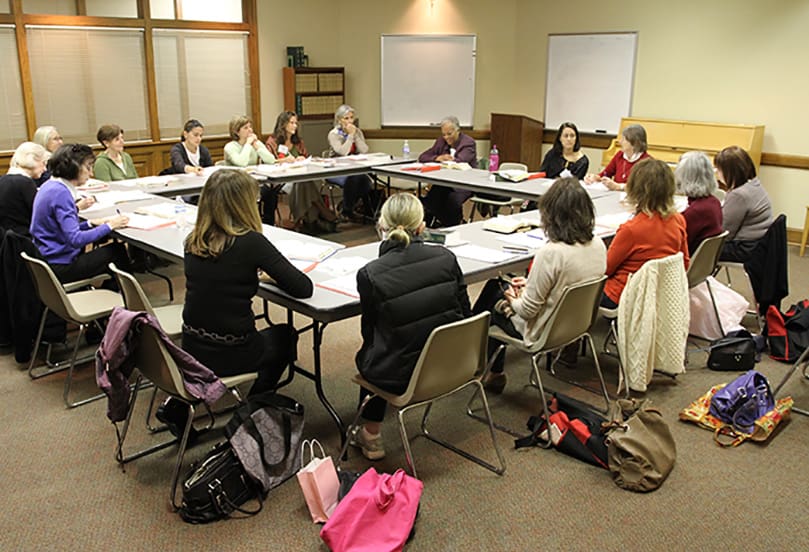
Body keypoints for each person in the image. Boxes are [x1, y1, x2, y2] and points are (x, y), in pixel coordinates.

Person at [351, 193, 471, 459]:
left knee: (374, 351)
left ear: (382, 226)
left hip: (400, 376)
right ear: (422, 226)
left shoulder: (371, 274)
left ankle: (371, 435)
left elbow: (370, 334)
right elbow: (466, 315)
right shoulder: (446, 258)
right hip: (451, 365)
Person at [181, 169, 313, 399]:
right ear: (243, 204)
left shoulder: (193, 240)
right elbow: (303, 287)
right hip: (233, 352)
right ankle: (257, 401)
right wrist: (272, 277)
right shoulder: (251, 242)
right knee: (286, 336)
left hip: (191, 347)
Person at [477, 178, 606, 392]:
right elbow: (568, 282)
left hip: (542, 330)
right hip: (575, 324)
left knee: (494, 292)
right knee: (501, 289)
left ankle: (484, 367)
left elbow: (527, 311)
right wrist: (530, 284)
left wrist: (513, 298)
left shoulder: (552, 252)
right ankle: (488, 369)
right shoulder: (598, 244)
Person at [29, 144, 130, 286]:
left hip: (46, 260)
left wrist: (90, 223)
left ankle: (113, 294)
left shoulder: (50, 186)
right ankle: (125, 301)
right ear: (74, 167)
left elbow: (59, 229)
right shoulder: (61, 194)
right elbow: (75, 239)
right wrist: (110, 225)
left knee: (112, 250)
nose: (91, 173)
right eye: (88, 167)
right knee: (116, 251)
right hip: (60, 266)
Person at [603, 158, 689, 308]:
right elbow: (684, 263)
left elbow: (606, 269)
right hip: (662, 293)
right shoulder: (678, 220)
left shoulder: (631, 230)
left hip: (624, 295)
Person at [266, 111, 336, 233]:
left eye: (296, 123)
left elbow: (306, 157)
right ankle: (320, 215)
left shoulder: (298, 142)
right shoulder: (272, 142)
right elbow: (268, 162)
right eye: (291, 123)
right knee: (303, 183)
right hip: (282, 180)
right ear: (283, 125)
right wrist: (284, 160)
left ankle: (304, 219)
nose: (295, 126)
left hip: (299, 177)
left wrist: (302, 159)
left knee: (303, 182)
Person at [713, 146, 773, 262]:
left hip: (745, 248)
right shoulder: (754, 184)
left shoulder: (739, 195)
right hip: (759, 243)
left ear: (730, 172)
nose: (717, 174)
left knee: (695, 247)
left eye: (719, 170)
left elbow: (725, 233)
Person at [419, 115, 478, 227]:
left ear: (458, 131)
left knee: (452, 200)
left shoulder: (468, 143)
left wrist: (449, 161)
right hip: (444, 181)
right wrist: (437, 158)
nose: (446, 137)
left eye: (449, 134)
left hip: (464, 183)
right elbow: (423, 156)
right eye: (444, 134)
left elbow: (460, 161)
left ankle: (454, 225)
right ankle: (435, 223)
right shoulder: (441, 141)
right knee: (433, 196)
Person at [224, 115, 278, 225]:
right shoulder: (230, 147)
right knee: (252, 195)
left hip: (254, 181)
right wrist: (248, 144)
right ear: (237, 132)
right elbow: (242, 162)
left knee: (271, 193)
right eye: (245, 128)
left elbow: (271, 160)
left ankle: (268, 223)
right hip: (235, 184)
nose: (250, 130)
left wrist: (257, 147)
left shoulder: (255, 144)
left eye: (250, 127)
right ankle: (251, 224)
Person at [327, 104, 375, 222]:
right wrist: (350, 136)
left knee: (366, 181)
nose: (349, 121)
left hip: (354, 168)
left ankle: (349, 207)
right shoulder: (334, 134)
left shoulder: (357, 132)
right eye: (346, 118)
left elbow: (364, 150)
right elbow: (343, 152)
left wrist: (356, 136)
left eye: (351, 118)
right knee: (354, 178)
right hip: (336, 169)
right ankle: (348, 210)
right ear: (339, 120)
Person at [674, 151, 723, 255]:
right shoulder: (714, 202)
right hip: (702, 262)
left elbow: (677, 243)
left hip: (684, 262)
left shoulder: (696, 212)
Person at [0, 142, 49, 236]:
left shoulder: (2, 179)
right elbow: (42, 216)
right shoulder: (25, 183)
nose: (45, 169)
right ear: (32, 160)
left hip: (7, 241)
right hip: (25, 240)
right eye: (43, 163)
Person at [585, 124, 650, 191]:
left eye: (624, 139)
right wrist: (595, 178)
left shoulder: (647, 162)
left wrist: (618, 186)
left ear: (635, 143)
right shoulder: (620, 155)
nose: (620, 142)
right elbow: (606, 173)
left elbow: (640, 188)